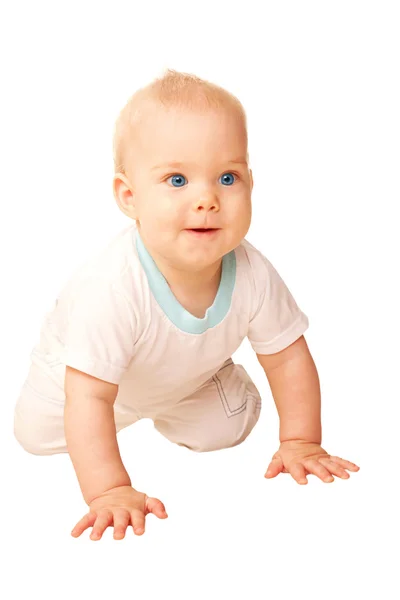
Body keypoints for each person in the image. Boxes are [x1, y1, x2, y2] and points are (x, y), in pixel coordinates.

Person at [13, 69, 360, 541]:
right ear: (129, 197)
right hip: (77, 384)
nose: (207, 199)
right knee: (34, 438)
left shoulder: (252, 271)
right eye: (177, 179)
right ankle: (134, 410)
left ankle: (199, 374)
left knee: (227, 429)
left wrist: (301, 440)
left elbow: (288, 357)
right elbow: (89, 395)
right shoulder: (111, 288)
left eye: (227, 177)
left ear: (251, 185)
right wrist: (109, 490)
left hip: (173, 379)